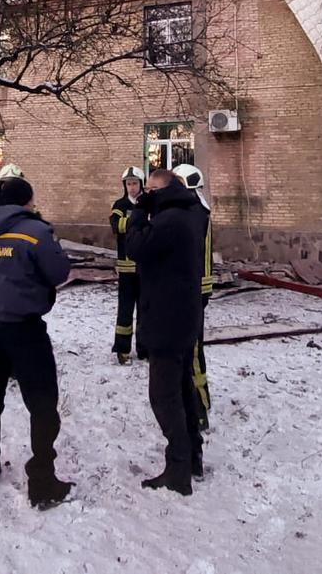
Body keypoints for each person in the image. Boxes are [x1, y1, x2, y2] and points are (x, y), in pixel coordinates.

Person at [0, 177, 75, 509]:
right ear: (26, 201)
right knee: (43, 405)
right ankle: (42, 482)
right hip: (25, 329)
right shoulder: (36, 232)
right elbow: (59, 271)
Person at [126, 167, 206, 495]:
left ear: (163, 191)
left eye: (150, 189)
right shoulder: (189, 213)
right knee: (183, 388)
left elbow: (136, 247)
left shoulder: (170, 219)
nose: (144, 193)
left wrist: (137, 213)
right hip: (182, 316)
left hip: (166, 318)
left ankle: (178, 469)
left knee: (163, 395)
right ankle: (192, 458)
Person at [172, 162, 213, 430]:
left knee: (192, 349)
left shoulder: (193, 213)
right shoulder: (200, 209)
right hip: (198, 286)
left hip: (193, 288)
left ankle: (198, 405)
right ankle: (200, 399)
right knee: (193, 347)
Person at [110, 165, 147, 363]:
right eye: (128, 184)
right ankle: (122, 349)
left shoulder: (148, 203)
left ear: (141, 183)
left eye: (134, 183)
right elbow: (116, 226)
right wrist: (136, 222)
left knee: (145, 310)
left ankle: (144, 348)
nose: (131, 187)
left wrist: (133, 222)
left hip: (145, 266)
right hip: (126, 268)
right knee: (125, 310)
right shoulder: (119, 204)